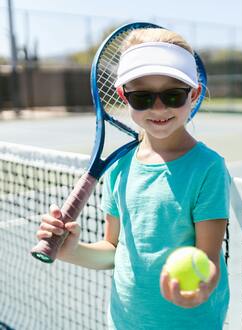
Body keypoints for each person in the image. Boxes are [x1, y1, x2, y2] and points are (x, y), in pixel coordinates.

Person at [35, 27, 230, 330]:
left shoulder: (208, 168)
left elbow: (208, 259)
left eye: (174, 95)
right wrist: (71, 250)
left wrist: (202, 287)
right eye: (142, 97)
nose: (159, 108)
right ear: (123, 95)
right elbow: (113, 251)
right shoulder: (119, 168)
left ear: (194, 94)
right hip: (124, 322)